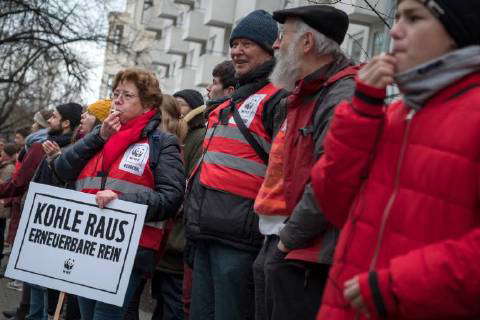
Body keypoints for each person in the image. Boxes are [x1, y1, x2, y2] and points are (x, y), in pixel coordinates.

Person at [310, 1, 480, 319]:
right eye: (398, 16)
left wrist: (397, 286)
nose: (396, 31)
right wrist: (361, 111)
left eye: (414, 18)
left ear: (458, 34)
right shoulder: (397, 112)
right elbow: (334, 204)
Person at [251, 5, 358, 320]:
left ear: (307, 43)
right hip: (289, 245)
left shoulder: (341, 95)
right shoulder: (305, 93)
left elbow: (333, 178)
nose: (276, 45)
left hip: (309, 255)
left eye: (284, 36)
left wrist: (288, 239)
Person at [53, 68, 185, 320]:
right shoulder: (101, 135)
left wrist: (121, 202)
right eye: (116, 94)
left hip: (128, 252)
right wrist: (98, 137)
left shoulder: (161, 143)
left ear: (147, 103)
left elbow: (172, 198)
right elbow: (62, 169)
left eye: (128, 95)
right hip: (86, 245)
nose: (118, 100)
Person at [183, 9, 287, 320]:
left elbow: (282, 171)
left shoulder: (278, 98)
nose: (236, 51)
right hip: (207, 234)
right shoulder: (231, 102)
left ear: (270, 49)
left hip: (242, 242)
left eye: (247, 44)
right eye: (234, 43)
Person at [1, 103, 82, 320]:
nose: (49, 123)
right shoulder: (52, 145)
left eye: (54, 117)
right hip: (39, 214)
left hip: (51, 219)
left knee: (43, 279)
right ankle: (32, 313)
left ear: (65, 123)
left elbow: (24, 180)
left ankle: (38, 314)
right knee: (33, 276)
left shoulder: (62, 148)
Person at [0, 144, 18, 269]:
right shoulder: (6, 165)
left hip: (2, 206)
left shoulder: (9, 168)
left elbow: (5, 188)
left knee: (1, 232)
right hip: (2, 206)